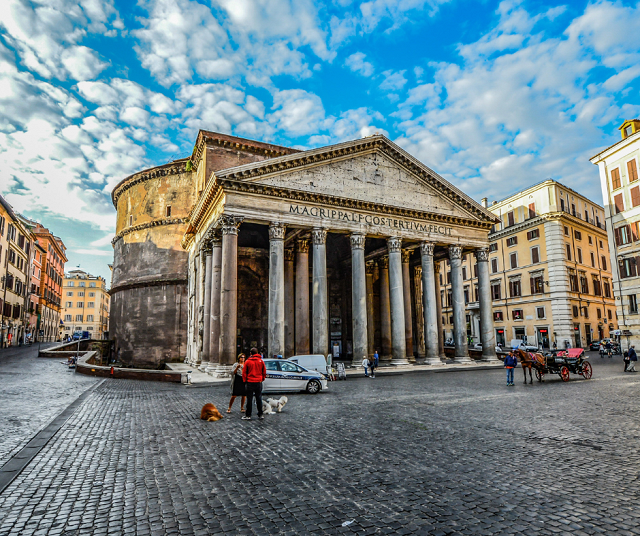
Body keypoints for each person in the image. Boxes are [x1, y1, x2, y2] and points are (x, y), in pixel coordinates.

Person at [242, 348, 266, 420]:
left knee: (249, 399)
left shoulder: (248, 361)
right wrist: (262, 379)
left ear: (250, 353)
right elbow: (264, 371)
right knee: (259, 398)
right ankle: (260, 414)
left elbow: (244, 372)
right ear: (257, 353)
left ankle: (248, 415)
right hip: (258, 382)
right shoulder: (261, 361)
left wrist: (245, 380)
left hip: (250, 382)